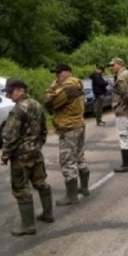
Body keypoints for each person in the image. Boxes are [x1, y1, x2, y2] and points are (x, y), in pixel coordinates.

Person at [1, 79, 52, 236]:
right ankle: (47, 214)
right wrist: (37, 145)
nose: (9, 96)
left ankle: (28, 225)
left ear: (19, 90)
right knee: (40, 182)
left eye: (10, 92)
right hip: (36, 152)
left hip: (21, 156)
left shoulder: (18, 110)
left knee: (21, 189)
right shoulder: (37, 105)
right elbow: (44, 129)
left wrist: (5, 155)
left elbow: (10, 136)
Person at [44, 63, 90, 206]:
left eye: (58, 73)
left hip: (68, 127)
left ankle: (72, 196)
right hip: (78, 123)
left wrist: (51, 88)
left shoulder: (67, 87)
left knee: (67, 160)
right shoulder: (77, 84)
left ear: (67, 72)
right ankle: (84, 188)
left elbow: (48, 103)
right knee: (79, 156)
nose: (56, 76)